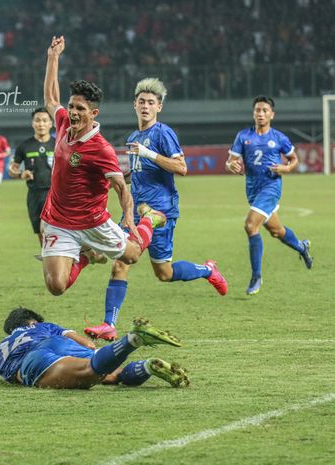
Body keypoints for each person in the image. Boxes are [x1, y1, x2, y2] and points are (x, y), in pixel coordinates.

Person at [85, 78, 228, 341]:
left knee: (165, 273)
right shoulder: (134, 137)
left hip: (160, 213)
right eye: (141, 101)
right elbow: (138, 174)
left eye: (151, 102)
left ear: (159, 107)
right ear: (134, 105)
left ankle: (208, 270)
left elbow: (181, 168)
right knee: (121, 262)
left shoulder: (163, 133)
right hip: (135, 212)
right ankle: (109, 324)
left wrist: (148, 154)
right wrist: (113, 180)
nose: (146, 106)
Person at [40, 35, 166, 299]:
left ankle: (149, 220)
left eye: (80, 109)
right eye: (72, 106)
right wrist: (53, 57)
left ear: (93, 114)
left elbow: (121, 187)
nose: (72, 112)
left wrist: (130, 218)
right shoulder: (63, 123)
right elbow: (52, 98)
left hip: (93, 222)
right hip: (58, 220)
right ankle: (86, 256)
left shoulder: (101, 149)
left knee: (131, 256)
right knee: (56, 287)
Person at [0, 307, 189, 389]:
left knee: (90, 373)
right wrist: (93, 351)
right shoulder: (45, 326)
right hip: (59, 344)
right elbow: (86, 343)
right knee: (111, 376)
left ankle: (133, 340)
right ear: (32, 322)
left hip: (34, 361)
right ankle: (147, 367)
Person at [225, 95, 313, 295]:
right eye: (258, 110)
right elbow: (229, 162)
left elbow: (294, 160)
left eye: (265, 110)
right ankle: (301, 247)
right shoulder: (243, 136)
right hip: (253, 190)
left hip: (271, 188)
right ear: (253, 113)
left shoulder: (279, 138)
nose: (261, 113)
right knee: (276, 230)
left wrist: (285, 168)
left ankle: (256, 276)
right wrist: (232, 165)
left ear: (271, 114)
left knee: (250, 225)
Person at [8, 108, 55, 246]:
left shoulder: (58, 144)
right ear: (32, 123)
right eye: (38, 120)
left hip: (55, 194)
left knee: (57, 232)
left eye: (45, 120)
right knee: (40, 234)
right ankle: (47, 263)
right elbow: (12, 169)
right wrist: (20, 174)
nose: (41, 124)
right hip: (35, 195)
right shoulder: (24, 146)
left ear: (51, 124)